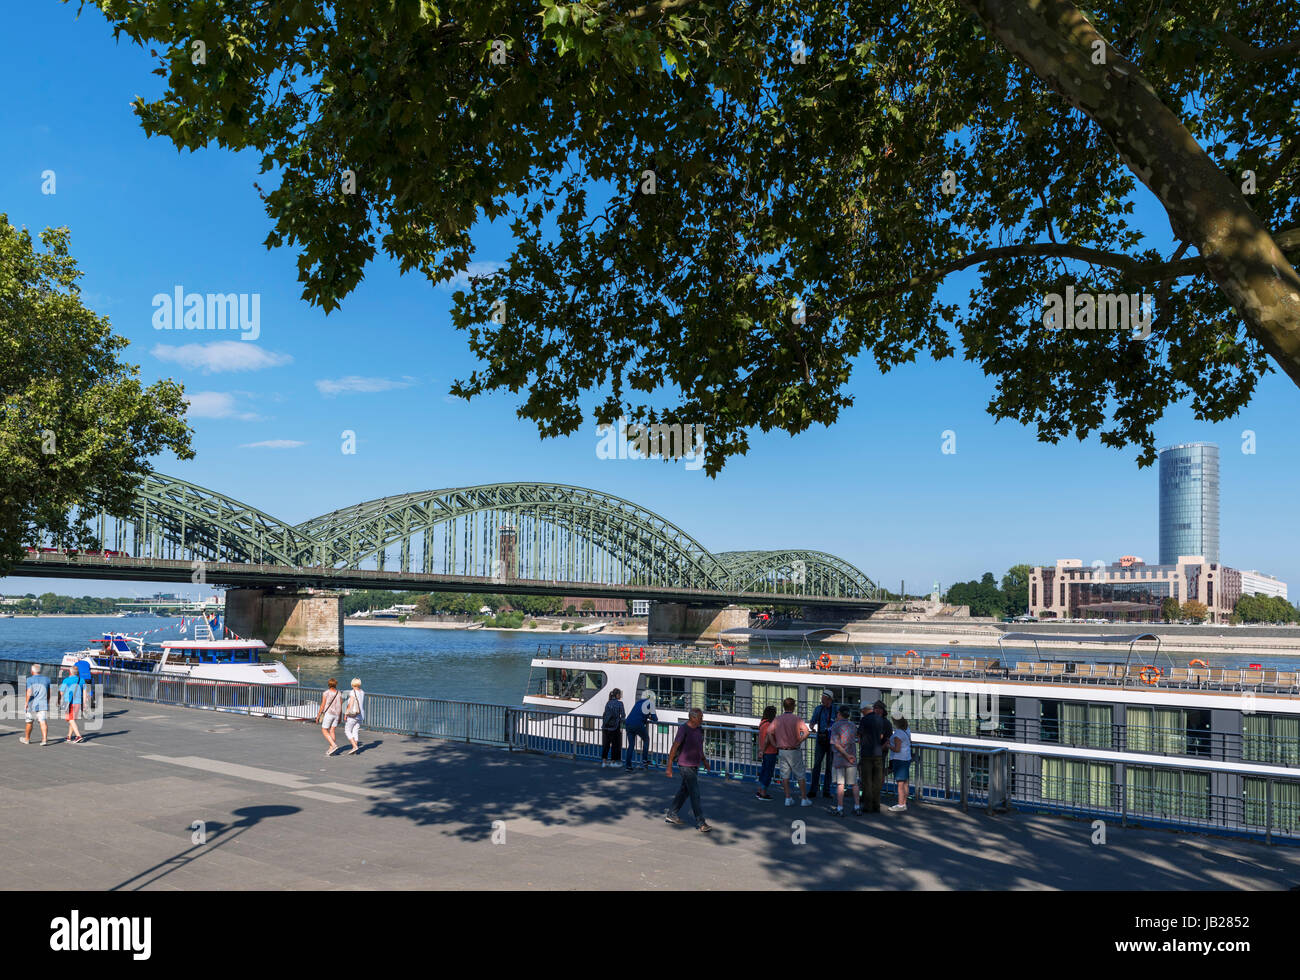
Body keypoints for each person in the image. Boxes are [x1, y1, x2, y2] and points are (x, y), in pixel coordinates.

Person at [664, 707, 711, 832]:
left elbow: (699, 748)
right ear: (693, 717)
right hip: (685, 765)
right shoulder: (683, 729)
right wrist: (669, 766)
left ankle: (671, 814)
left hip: (695, 765)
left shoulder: (699, 729)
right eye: (700, 717)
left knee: (684, 791)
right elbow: (674, 747)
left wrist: (705, 761)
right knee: (695, 793)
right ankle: (701, 822)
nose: (702, 719)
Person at [771, 697, 812, 807]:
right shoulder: (797, 719)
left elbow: (770, 732)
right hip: (794, 750)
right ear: (793, 707)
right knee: (800, 774)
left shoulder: (777, 719)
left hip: (782, 750)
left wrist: (775, 744)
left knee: (785, 775)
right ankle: (804, 798)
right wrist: (800, 740)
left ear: (784, 706)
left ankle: (788, 798)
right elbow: (807, 732)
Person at [858, 699, 893, 813]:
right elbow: (885, 738)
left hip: (867, 753)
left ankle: (868, 805)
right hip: (879, 754)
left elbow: (859, 736)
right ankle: (876, 804)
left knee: (867, 780)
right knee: (877, 781)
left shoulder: (864, 720)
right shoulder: (885, 722)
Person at [829, 706, 862, 816]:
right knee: (854, 784)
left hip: (840, 758)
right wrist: (849, 756)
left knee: (840, 784)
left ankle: (840, 808)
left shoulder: (835, 726)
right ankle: (857, 806)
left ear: (839, 714)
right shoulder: (853, 725)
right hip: (852, 758)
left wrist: (846, 755)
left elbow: (836, 745)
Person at [808, 689, 836, 798]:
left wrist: (814, 729)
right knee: (817, 765)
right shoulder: (820, 709)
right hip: (822, 740)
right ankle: (815, 790)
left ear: (829, 699)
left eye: (823, 698)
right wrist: (813, 728)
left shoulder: (834, 709)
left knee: (828, 766)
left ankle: (825, 790)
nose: (821, 700)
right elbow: (812, 723)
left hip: (831, 741)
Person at [623, 690, 658, 771]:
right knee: (646, 739)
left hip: (628, 723)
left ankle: (628, 766)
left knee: (631, 745)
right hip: (638, 724)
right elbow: (655, 719)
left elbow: (638, 713)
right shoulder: (650, 703)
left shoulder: (638, 702)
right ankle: (644, 761)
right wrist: (649, 716)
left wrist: (646, 715)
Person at [20, 664, 51, 746]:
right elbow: (48, 692)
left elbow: (29, 692)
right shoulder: (47, 679)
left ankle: (27, 739)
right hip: (43, 703)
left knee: (29, 722)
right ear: (39, 671)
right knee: (43, 721)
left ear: (32, 671)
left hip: (32, 704)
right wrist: (47, 701)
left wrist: (26, 703)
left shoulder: (29, 679)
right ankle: (44, 740)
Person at [754, 705, 779, 800]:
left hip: (764, 752)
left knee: (764, 771)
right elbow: (768, 739)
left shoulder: (762, 723)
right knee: (768, 772)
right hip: (770, 751)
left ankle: (760, 791)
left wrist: (761, 750)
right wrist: (776, 745)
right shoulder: (769, 725)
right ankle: (763, 793)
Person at [889, 716, 912, 812]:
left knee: (900, 783)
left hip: (899, 759)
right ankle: (904, 803)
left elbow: (897, 749)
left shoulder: (898, 733)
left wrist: (888, 745)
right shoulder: (907, 730)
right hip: (906, 758)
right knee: (905, 782)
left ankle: (901, 804)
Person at [317, 678, 343, 756]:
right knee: (332, 730)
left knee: (324, 730)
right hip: (337, 714)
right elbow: (341, 705)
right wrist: (340, 716)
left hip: (329, 713)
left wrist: (318, 715)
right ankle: (331, 748)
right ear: (335, 684)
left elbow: (323, 705)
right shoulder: (339, 693)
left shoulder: (326, 693)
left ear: (328, 684)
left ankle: (333, 745)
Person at [600, 688, 625, 767]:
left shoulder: (608, 702)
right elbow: (623, 715)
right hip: (615, 727)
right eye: (620, 694)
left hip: (605, 727)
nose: (621, 696)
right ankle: (613, 762)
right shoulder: (620, 704)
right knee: (615, 744)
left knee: (606, 744)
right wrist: (620, 724)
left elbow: (604, 715)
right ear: (617, 695)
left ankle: (604, 762)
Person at [60, 668, 84, 743]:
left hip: (69, 702)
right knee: (72, 719)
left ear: (70, 672)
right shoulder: (81, 680)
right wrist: (85, 704)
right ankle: (69, 736)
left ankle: (78, 736)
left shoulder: (66, 680)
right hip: (78, 702)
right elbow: (85, 692)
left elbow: (61, 692)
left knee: (70, 719)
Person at [343, 678, 365, 754]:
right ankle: (354, 747)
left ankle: (355, 746)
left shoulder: (352, 692)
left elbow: (351, 704)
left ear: (352, 684)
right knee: (355, 731)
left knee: (347, 730)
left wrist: (346, 713)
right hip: (361, 715)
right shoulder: (362, 692)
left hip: (353, 714)